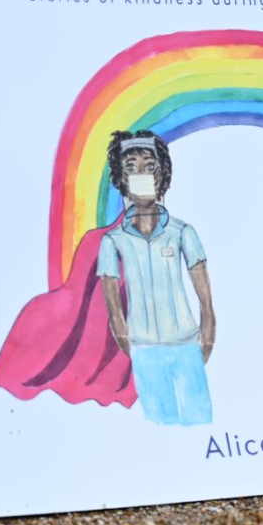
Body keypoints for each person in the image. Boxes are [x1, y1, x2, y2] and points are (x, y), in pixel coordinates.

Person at [98, 131, 216, 426]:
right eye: (131, 168)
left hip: (187, 343)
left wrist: (208, 334)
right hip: (144, 350)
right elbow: (112, 303)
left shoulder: (182, 232)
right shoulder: (113, 241)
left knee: (198, 420)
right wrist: (128, 341)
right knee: (162, 426)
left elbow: (204, 295)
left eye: (150, 167)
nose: (141, 175)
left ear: (162, 173)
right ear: (120, 178)